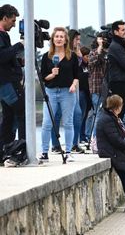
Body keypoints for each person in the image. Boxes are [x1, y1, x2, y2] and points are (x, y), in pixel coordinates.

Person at [39, 27, 80, 162]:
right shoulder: (47, 56)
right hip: (51, 92)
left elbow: (77, 74)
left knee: (68, 122)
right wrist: (52, 74)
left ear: (65, 40)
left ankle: (68, 152)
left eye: (61, 37)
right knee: (46, 123)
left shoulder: (71, 56)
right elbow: (43, 77)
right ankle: (44, 152)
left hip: (67, 92)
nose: (59, 39)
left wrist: (74, 85)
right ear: (52, 39)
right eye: (56, 36)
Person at [0, 4, 25, 154]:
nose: (14, 25)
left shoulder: (3, 36)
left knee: (9, 116)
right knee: (23, 113)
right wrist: (19, 45)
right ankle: (23, 149)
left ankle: (6, 150)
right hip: (8, 83)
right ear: (4, 18)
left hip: (5, 83)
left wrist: (18, 62)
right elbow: (2, 56)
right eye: (13, 21)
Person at [107, 20, 125, 119]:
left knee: (121, 113)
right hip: (118, 83)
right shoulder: (116, 46)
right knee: (118, 113)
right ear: (115, 32)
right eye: (122, 30)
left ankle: (120, 133)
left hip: (122, 81)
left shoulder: (120, 45)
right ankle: (118, 134)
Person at [85, 33, 108, 150]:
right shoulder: (93, 52)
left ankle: (100, 139)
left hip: (106, 89)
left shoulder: (108, 53)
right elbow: (93, 62)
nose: (102, 41)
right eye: (100, 39)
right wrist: (99, 47)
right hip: (96, 88)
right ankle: (94, 140)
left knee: (102, 114)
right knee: (97, 114)